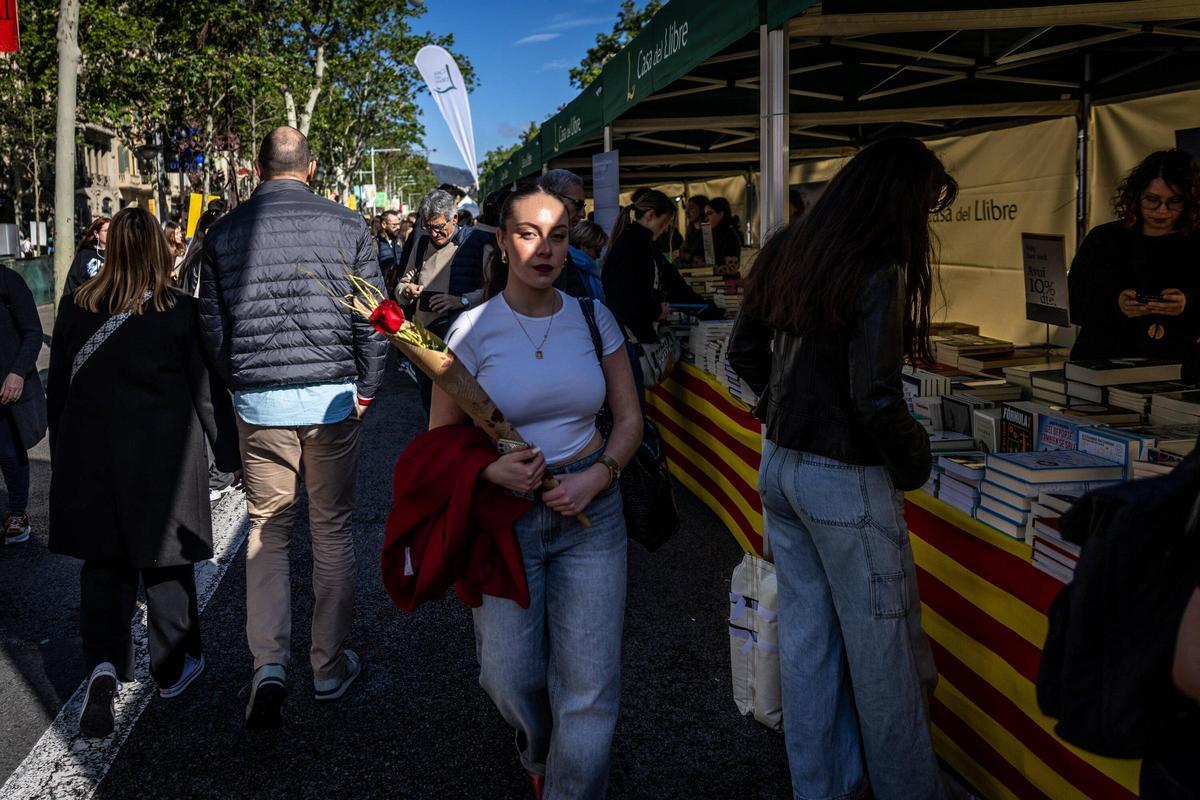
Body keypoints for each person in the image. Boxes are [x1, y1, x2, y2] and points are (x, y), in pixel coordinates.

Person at [728, 138, 958, 800]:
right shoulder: (877, 265)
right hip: (845, 480)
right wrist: (914, 462)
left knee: (809, 643)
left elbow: (744, 351)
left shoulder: (791, 248)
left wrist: (783, 407)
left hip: (782, 466)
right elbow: (876, 396)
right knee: (884, 662)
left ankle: (821, 787)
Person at [431, 184, 641, 800]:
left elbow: (629, 421)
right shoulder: (469, 331)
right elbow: (438, 442)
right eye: (528, 233)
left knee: (590, 686)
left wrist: (598, 475)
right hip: (503, 521)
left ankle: (570, 788)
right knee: (508, 675)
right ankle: (538, 748)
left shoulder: (592, 317)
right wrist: (490, 472)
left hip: (593, 516)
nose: (545, 249)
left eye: (556, 235)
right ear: (500, 240)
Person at [198, 126, 388, 728]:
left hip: (260, 405)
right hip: (332, 400)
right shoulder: (349, 225)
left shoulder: (223, 231)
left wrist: (241, 379)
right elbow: (375, 316)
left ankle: (269, 665)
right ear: (310, 168)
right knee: (331, 530)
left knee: (267, 529)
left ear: (258, 167)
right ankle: (328, 667)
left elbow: (211, 323)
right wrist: (368, 386)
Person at [47, 207, 240, 738]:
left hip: (92, 459)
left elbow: (58, 394)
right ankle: (173, 668)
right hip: (163, 465)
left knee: (104, 568)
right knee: (165, 569)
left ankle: (104, 667)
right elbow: (206, 393)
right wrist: (228, 457)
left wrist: (64, 454)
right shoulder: (179, 311)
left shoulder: (76, 308)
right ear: (159, 248)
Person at [1068, 149, 1200, 380]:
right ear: (1136, 196)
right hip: (1103, 364)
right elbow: (1072, 301)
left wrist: (1187, 304)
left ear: (1189, 201)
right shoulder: (1105, 239)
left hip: (1180, 371)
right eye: (1152, 200)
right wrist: (1115, 303)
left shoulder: (1196, 242)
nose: (1162, 211)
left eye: (1174, 202)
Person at [395, 188, 471, 412]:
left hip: (460, 340)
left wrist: (461, 301)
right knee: (430, 403)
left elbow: (491, 289)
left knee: (461, 404)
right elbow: (401, 284)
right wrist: (408, 290)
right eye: (428, 227)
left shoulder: (470, 244)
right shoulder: (421, 245)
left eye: (439, 227)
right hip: (425, 338)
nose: (434, 234)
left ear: (454, 218)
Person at [0, 261, 43, 544]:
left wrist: (17, 373)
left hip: (6, 388)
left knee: (9, 451)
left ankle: (18, 513)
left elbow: (33, 332)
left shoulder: (9, 282)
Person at [538, 169, 603, 301]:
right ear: (552, 197)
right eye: (577, 204)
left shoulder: (563, 250)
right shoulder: (530, 247)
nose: (583, 214)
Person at [64, 217, 109, 295]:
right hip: (87, 303)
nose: (110, 233)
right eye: (106, 231)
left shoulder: (118, 254)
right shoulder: (84, 254)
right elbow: (72, 282)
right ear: (96, 234)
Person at [705, 197, 742, 273]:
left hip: (726, 281)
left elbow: (731, 268)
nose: (706, 218)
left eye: (709, 213)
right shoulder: (715, 233)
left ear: (721, 214)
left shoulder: (730, 235)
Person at [376, 210, 404, 290]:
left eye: (399, 224)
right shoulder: (375, 243)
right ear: (384, 224)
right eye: (394, 225)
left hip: (397, 287)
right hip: (382, 287)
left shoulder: (400, 240)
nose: (398, 227)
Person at [681, 194, 709, 264]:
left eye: (691, 208)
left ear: (702, 209)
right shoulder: (690, 232)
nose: (687, 212)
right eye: (686, 208)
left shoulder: (709, 231)